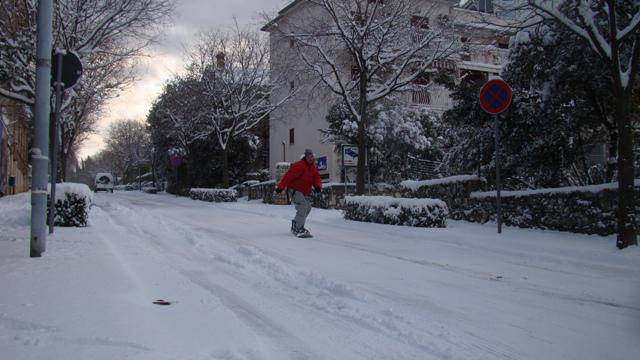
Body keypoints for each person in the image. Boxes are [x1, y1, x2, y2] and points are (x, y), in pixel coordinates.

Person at [275, 149, 322, 237]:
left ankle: (296, 224)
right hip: (294, 190)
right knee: (303, 206)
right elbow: (288, 176)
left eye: (312, 157)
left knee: (308, 207)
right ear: (306, 157)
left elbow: (317, 178)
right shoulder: (299, 165)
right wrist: (280, 188)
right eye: (310, 156)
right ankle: (298, 228)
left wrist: (317, 186)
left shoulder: (313, 168)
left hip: (304, 192)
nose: (312, 158)